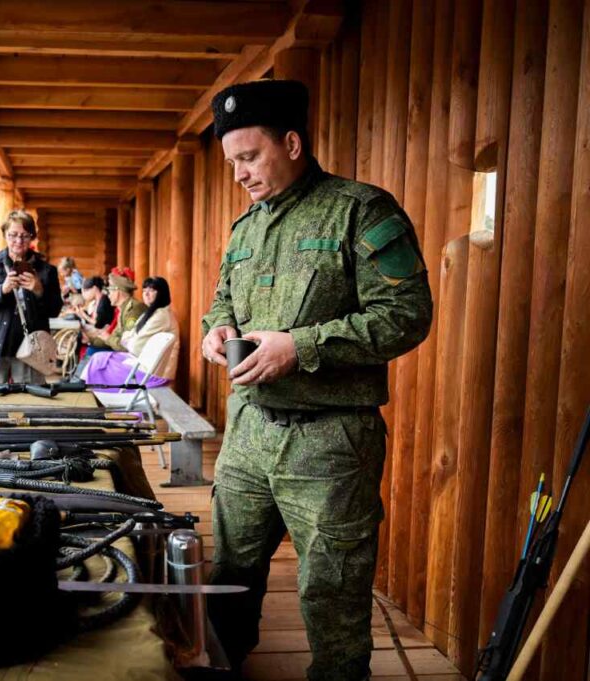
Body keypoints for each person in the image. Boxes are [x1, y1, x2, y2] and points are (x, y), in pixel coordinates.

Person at [200, 80, 433, 681]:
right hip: (248, 435)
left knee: (333, 600)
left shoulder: (363, 210)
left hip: (330, 445)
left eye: (249, 158)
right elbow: (224, 298)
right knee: (226, 581)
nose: (240, 175)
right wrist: (217, 328)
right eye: (232, 163)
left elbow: (407, 316)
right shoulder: (245, 227)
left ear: (294, 142)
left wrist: (300, 347)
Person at [0, 210, 62, 384]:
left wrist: (39, 290)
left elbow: (55, 309)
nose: (18, 241)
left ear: (33, 237)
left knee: (29, 403)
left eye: (25, 236)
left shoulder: (46, 271)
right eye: (13, 235)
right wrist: (2, 290)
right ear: (5, 234)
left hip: (32, 348)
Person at [82, 276, 179, 386]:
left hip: (152, 373)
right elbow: (129, 336)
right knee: (98, 358)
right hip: (143, 363)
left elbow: (135, 346)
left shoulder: (160, 316)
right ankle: (85, 386)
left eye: (151, 291)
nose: (146, 294)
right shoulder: (152, 313)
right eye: (144, 291)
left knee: (100, 362)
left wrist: (127, 340)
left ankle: (100, 393)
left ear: (162, 293)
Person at [85, 266, 146, 355]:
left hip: (131, 357)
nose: (108, 295)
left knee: (92, 352)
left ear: (117, 292)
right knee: (92, 348)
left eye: (109, 290)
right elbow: (115, 335)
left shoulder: (133, 310)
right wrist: (89, 339)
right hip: (122, 350)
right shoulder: (123, 309)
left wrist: (108, 338)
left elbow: (127, 346)